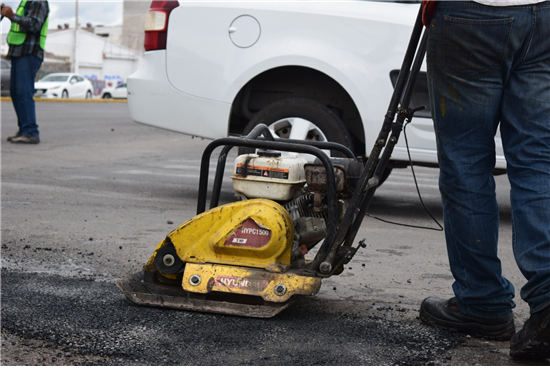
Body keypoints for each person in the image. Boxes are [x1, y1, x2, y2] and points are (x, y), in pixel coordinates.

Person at [418, 0, 550, 360]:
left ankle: (483, 302)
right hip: (543, 15)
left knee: (466, 163)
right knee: (538, 161)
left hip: (472, 15)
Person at [1, 0, 49, 144]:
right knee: (17, 93)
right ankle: (24, 130)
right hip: (19, 54)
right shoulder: (26, 2)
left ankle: (30, 131)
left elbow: (34, 24)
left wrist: (12, 16)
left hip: (29, 53)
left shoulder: (38, 1)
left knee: (24, 92)